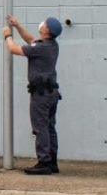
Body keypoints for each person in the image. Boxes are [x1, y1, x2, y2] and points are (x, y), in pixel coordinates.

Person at [4, 14, 63, 175]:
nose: (42, 24)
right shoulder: (51, 45)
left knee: (40, 128)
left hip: (41, 95)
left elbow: (14, 49)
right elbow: (30, 40)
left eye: (45, 24)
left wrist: (7, 35)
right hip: (51, 93)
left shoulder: (42, 48)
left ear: (47, 31)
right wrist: (17, 25)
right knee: (50, 127)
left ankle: (43, 162)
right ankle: (52, 162)